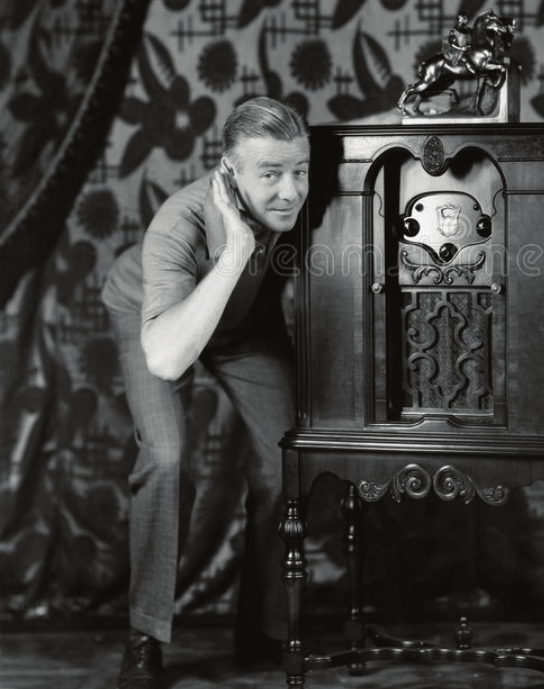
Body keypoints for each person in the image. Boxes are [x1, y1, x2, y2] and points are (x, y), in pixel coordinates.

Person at [101, 96, 310, 689]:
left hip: (243, 325)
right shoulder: (180, 221)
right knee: (167, 460)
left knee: (287, 457)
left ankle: (262, 626)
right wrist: (236, 252)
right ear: (230, 173)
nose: (290, 192)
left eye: (300, 171)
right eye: (270, 175)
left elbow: (370, 127)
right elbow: (167, 357)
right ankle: (145, 633)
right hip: (161, 323)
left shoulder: (292, 182)